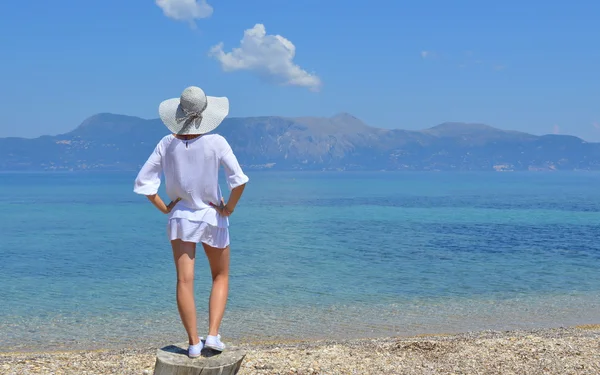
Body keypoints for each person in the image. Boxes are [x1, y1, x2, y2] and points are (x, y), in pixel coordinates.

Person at [133, 86, 249, 358]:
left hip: (181, 217)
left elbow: (144, 184)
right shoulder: (217, 142)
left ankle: (193, 343)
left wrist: (164, 207)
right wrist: (228, 208)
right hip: (212, 216)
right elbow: (239, 181)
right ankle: (213, 335)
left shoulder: (166, 143)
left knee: (184, 281)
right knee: (220, 276)